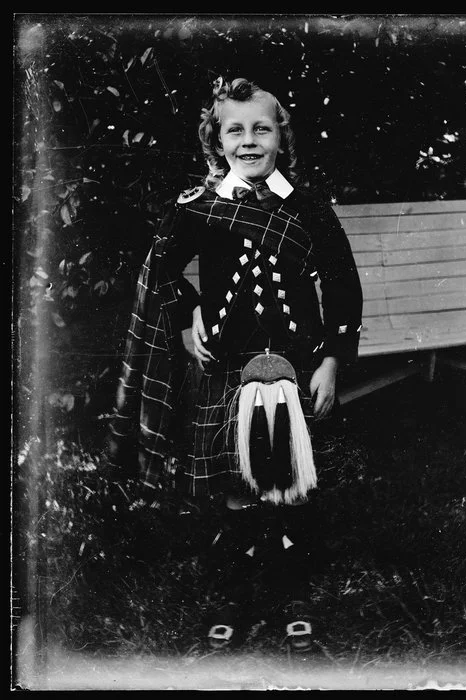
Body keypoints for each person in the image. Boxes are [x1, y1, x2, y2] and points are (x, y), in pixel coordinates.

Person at [109, 76, 363, 652]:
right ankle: (239, 580)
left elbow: (344, 286)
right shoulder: (198, 209)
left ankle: (290, 583)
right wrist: (185, 316)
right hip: (225, 366)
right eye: (235, 130)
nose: (249, 141)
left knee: (293, 480)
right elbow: (164, 273)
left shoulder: (308, 208)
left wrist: (330, 360)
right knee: (235, 482)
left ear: (281, 136)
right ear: (216, 139)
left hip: (296, 366)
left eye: (262, 128)